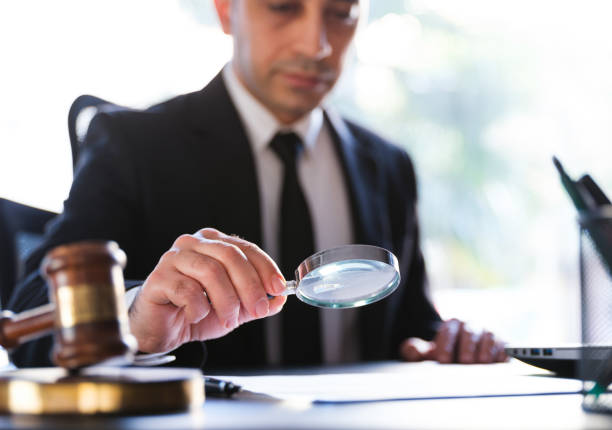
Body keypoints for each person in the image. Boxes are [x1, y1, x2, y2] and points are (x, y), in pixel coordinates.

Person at [8, 0, 506, 368]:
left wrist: (447, 341)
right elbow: (30, 316)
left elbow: (409, 326)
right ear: (226, 11)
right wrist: (136, 320)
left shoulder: (390, 166)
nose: (316, 46)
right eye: (284, 7)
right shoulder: (132, 144)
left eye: (342, 13)